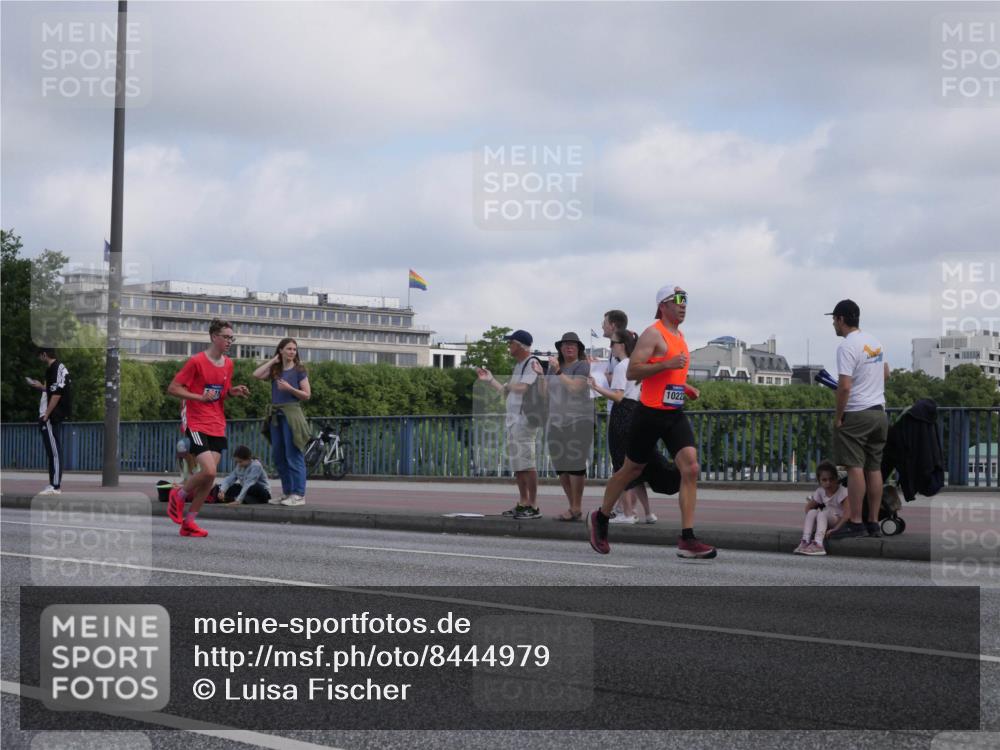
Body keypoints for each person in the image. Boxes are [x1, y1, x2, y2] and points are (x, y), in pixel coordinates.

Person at [588, 285, 717, 558]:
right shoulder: (653, 333)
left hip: (674, 412)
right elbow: (634, 370)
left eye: (686, 300)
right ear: (663, 305)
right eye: (678, 300)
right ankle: (600, 517)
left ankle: (687, 539)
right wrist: (666, 365)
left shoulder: (679, 336)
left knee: (691, 467)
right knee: (630, 471)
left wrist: (685, 388)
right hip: (648, 413)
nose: (684, 305)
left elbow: (670, 377)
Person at [166, 319, 251, 537]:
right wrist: (199, 397)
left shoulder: (229, 364)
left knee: (209, 478)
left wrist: (233, 392)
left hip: (217, 424)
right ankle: (179, 495)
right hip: (196, 423)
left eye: (232, 337)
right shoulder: (196, 362)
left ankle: (189, 522)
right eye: (226, 337)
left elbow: (221, 393)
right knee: (209, 470)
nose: (229, 341)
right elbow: (173, 388)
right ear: (214, 337)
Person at [825, 299, 890, 539]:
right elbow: (886, 373)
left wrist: (839, 417)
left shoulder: (847, 346)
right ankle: (873, 522)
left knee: (855, 468)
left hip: (857, 413)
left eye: (834, 319)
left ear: (841, 319)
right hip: (879, 413)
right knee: (874, 468)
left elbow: (844, 387)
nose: (833, 323)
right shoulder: (874, 342)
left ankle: (856, 521)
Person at [588, 330, 655, 525]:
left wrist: (596, 387)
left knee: (621, 466)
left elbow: (618, 396)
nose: (611, 347)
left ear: (622, 345)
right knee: (635, 466)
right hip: (637, 411)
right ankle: (648, 512)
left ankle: (628, 513)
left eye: (613, 343)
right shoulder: (637, 365)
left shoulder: (621, 367)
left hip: (622, 413)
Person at [476, 330, 543, 519]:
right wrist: (491, 381)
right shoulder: (519, 365)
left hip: (524, 421)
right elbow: (508, 392)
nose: (509, 346)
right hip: (514, 421)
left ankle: (533, 505)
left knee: (528, 464)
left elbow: (523, 388)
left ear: (520, 345)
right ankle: (523, 502)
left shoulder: (532, 363)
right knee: (519, 465)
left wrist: (509, 386)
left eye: (511, 343)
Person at [537, 332, 592, 521]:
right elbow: (544, 394)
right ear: (560, 348)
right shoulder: (553, 368)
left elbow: (575, 388)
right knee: (561, 467)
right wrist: (541, 376)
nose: (569, 347)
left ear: (579, 349)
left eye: (573, 345)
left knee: (575, 465)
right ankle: (572, 506)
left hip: (578, 420)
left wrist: (559, 371)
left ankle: (576, 506)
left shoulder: (582, 365)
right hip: (555, 421)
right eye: (566, 344)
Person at [253, 337, 311, 507]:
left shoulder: (299, 370)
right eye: (288, 349)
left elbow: (307, 395)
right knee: (279, 456)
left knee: (294, 455)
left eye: (294, 349)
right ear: (281, 350)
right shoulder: (275, 370)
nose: (292, 352)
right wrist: (273, 361)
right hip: (276, 415)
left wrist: (290, 389)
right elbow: (256, 375)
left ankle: (298, 495)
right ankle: (287, 493)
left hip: (292, 414)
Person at [27, 348, 72, 496]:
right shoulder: (55, 369)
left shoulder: (55, 368)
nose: (40, 359)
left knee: (54, 452)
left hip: (51, 416)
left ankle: (56, 486)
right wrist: (41, 387)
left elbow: (57, 394)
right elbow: (52, 390)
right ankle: (53, 484)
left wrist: (46, 415)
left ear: (44, 354)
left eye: (40, 356)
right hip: (48, 416)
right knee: (52, 451)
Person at [795, 460, 848, 556]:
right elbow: (808, 507)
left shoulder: (843, 492)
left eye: (831, 479)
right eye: (824, 480)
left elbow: (848, 514)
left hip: (838, 520)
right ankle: (805, 541)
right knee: (812, 512)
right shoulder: (820, 491)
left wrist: (836, 529)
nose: (828, 483)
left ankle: (819, 544)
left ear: (837, 479)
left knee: (822, 513)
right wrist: (814, 523)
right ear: (819, 481)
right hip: (825, 518)